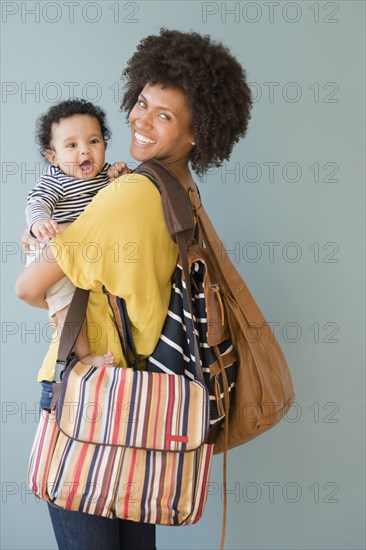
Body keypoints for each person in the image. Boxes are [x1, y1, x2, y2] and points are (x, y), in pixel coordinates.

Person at [16, 28, 253, 550]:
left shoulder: (128, 194)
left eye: (164, 115)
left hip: (90, 391)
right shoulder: (181, 194)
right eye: (141, 103)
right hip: (142, 401)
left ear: (198, 134)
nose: (141, 121)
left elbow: (28, 286)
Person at [25, 98, 129, 368]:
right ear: (53, 156)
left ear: (104, 145)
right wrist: (38, 224)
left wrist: (122, 174)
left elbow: (122, 200)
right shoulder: (56, 178)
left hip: (83, 251)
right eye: (72, 145)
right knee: (66, 304)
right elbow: (37, 202)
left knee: (78, 301)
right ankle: (83, 357)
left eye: (93, 142)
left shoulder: (105, 174)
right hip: (53, 246)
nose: (85, 151)